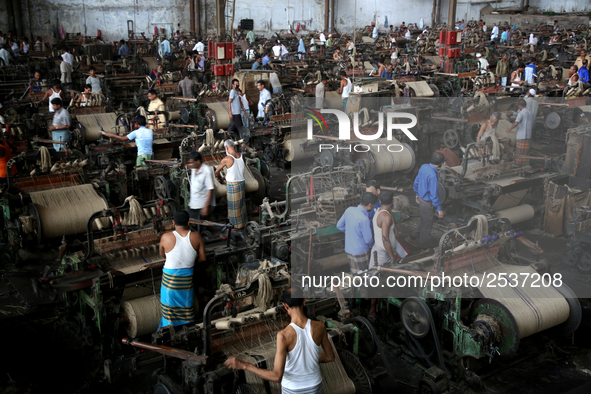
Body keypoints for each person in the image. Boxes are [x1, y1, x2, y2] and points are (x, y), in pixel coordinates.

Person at [225, 288, 335, 394]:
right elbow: (330, 357)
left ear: (285, 306)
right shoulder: (319, 326)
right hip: (315, 386)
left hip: (293, 390)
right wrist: (307, 358)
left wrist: (244, 365)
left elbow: (276, 376)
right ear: (304, 301)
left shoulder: (283, 336)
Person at [158, 210, 205, 329]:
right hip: (186, 281)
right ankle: (188, 330)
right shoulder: (196, 236)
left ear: (173, 222)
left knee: (169, 313)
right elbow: (203, 258)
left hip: (170, 281)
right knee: (186, 310)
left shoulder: (165, 237)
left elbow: (162, 254)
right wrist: (190, 261)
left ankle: (169, 332)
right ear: (188, 222)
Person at [406, 152, 444, 252]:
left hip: (422, 201)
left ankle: (412, 237)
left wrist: (417, 193)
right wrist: (439, 209)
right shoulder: (432, 175)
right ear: (441, 163)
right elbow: (434, 195)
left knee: (424, 221)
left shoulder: (424, 167)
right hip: (428, 203)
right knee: (427, 226)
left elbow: (416, 182)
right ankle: (424, 248)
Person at [336, 192, 377, 273]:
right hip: (361, 252)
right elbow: (368, 240)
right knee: (363, 276)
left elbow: (339, 225)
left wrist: (351, 233)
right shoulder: (364, 219)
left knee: (355, 274)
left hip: (349, 249)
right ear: (370, 205)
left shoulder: (349, 210)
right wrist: (373, 246)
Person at [215, 139, 247, 229]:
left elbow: (217, 171)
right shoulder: (241, 156)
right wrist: (227, 176)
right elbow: (237, 169)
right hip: (241, 183)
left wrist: (219, 178)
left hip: (233, 185)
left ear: (226, 147)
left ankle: (235, 226)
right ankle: (243, 223)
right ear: (234, 146)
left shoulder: (227, 159)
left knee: (234, 207)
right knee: (241, 204)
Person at [186, 151, 216, 225]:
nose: (190, 164)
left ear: (198, 161)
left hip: (201, 205)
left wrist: (206, 206)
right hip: (193, 204)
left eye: (192, 162)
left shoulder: (206, 171)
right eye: (190, 162)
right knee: (191, 224)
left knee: (200, 227)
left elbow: (210, 189)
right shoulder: (194, 169)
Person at [506, 100, 533, 166]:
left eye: (518, 106)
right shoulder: (529, 112)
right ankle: (526, 163)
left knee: (520, 150)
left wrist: (510, 129)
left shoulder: (521, 113)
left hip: (521, 135)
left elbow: (516, 123)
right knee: (526, 151)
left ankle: (518, 164)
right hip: (528, 135)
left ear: (520, 106)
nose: (518, 107)